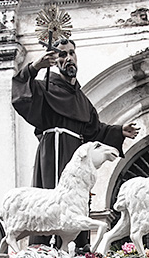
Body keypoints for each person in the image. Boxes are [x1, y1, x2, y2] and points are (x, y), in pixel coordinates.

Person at [12, 36, 139, 190]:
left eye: (72, 53)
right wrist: (35, 67)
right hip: (54, 152)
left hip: (77, 155)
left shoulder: (82, 100)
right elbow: (19, 92)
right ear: (55, 61)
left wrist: (119, 130)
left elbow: (95, 131)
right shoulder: (44, 88)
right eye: (63, 55)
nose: (69, 58)